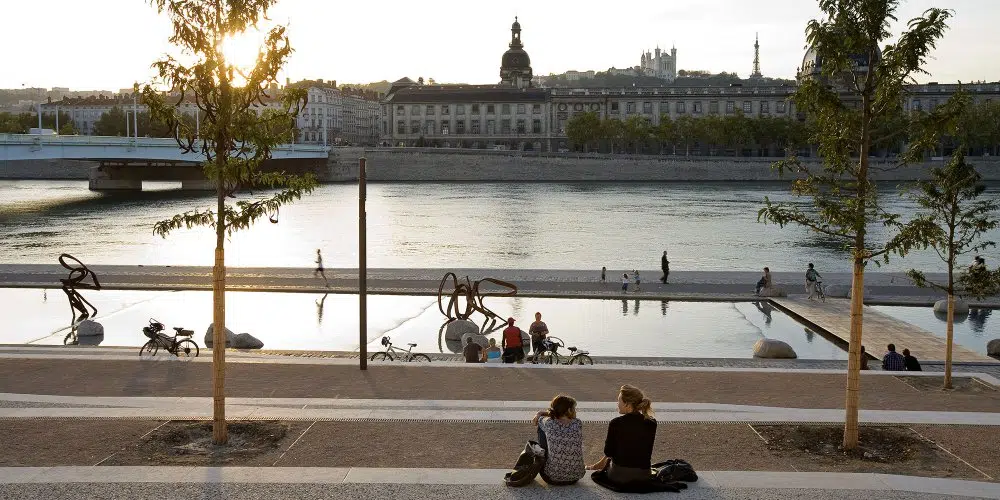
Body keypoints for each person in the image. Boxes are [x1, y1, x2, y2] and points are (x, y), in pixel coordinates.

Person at [587, 385, 656, 485]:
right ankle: (595, 466)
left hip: (619, 476)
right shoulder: (651, 423)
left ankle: (595, 467)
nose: (617, 403)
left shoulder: (616, 423)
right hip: (644, 475)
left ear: (627, 404)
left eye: (619, 400)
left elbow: (608, 452)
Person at [531, 395, 585, 485]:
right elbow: (568, 418)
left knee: (541, 428)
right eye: (574, 409)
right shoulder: (577, 423)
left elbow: (535, 421)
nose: (575, 411)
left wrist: (539, 413)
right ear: (568, 410)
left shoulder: (549, 423)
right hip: (575, 477)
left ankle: (544, 455)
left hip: (552, 478)